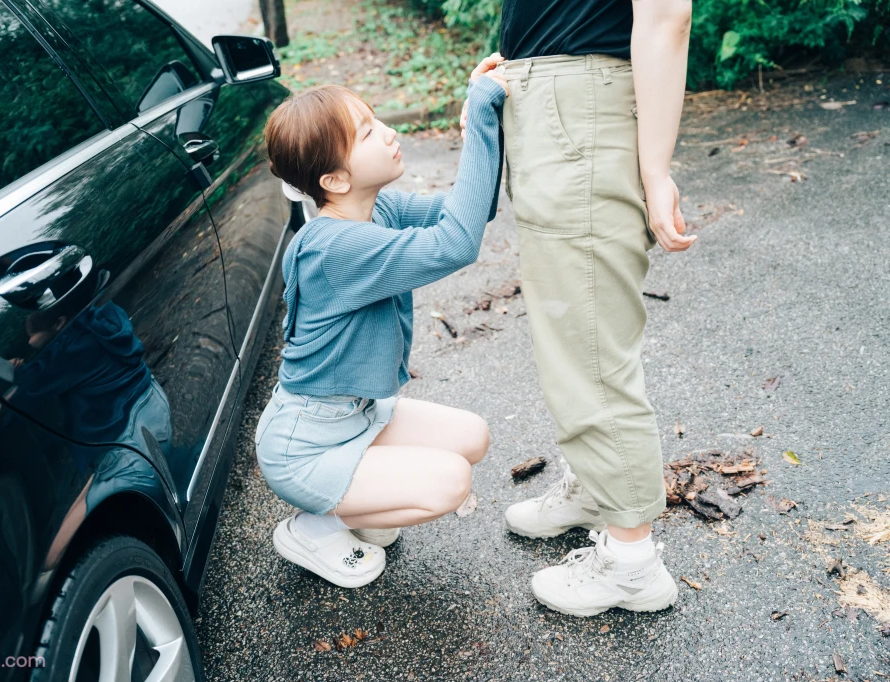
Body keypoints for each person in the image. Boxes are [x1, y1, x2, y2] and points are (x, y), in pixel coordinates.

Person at [461, 0, 696, 616]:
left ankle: (630, 564)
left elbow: (667, 13)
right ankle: (599, 492)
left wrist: (655, 170)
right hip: (558, 103)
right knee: (573, 335)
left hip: (582, 109)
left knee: (591, 349)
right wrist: (524, 60)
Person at [255, 55, 508, 588]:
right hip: (306, 446)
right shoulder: (333, 246)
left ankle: (360, 502)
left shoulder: (376, 209)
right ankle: (317, 524)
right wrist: (482, 112)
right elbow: (457, 245)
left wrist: (479, 115)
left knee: (474, 438)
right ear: (334, 178)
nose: (389, 133)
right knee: (450, 483)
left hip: (360, 415)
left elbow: (469, 211)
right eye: (368, 131)